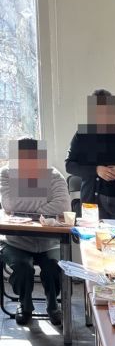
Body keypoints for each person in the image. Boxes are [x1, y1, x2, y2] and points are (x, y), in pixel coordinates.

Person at [0, 138, 70, 325]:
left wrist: (23, 208)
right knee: (22, 268)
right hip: (15, 241)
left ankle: (53, 305)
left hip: (49, 242)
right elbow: (9, 204)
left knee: (53, 267)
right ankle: (25, 305)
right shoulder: (6, 173)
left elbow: (63, 205)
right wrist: (45, 203)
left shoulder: (53, 175)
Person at [65, 89, 115, 219]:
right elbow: (69, 165)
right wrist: (96, 170)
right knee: (89, 232)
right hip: (90, 204)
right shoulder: (82, 134)